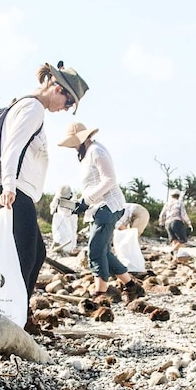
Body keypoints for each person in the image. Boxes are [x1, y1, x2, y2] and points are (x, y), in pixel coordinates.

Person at [0, 61, 88, 302]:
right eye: (69, 103)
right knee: (24, 258)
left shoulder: (27, 105)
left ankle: (19, 314)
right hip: (14, 191)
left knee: (36, 255)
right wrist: (8, 186)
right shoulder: (33, 108)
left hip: (17, 191)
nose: (66, 109)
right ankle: (15, 316)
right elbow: (12, 149)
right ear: (57, 89)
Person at [58, 122, 144, 302]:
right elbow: (93, 184)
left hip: (108, 206)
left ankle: (100, 294)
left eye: (74, 143)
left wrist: (86, 201)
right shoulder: (89, 153)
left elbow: (109, 180)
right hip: (100, 207)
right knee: (104, 251)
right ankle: (131, 286)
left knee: (95, 251)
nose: (73, 147)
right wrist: (82, 203)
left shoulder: (96, 151)